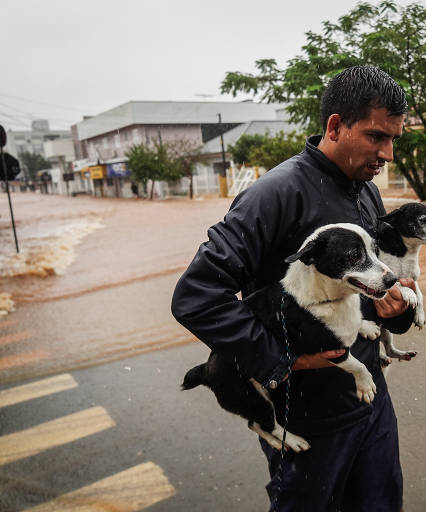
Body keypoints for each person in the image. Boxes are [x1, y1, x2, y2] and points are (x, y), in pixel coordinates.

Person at [171, 66, 413, 511]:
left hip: (370, 399)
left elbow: (354, 290)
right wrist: (281, 360)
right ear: (336, 126)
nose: (389, 153)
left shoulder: (366, 191)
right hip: (308, 421)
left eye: (393, 139)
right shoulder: (273, 196)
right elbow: (198, 296)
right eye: (378, 136)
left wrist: (394, 309)